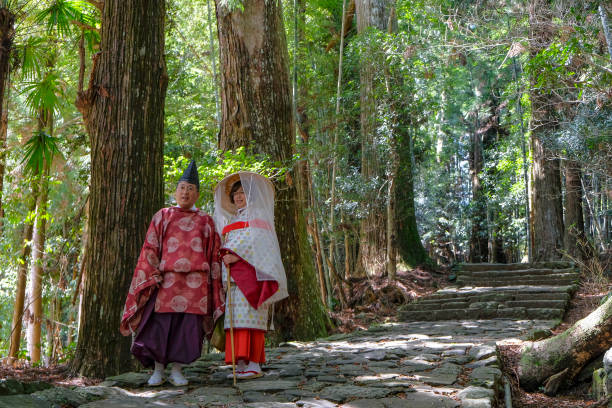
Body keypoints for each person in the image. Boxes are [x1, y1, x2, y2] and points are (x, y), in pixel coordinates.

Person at [120, 160, 225, 386]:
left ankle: (177, 370)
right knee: (159, 325)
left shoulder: (206, 221)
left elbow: (213, 253)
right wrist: (152, 272)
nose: (185, 193)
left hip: (195, 284)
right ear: (175, 191)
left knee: (187, 329)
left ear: (197, 194)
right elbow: (150, 247)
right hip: (167, 280)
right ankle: (157, 370)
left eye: (190, 189)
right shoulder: (163, 216)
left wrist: (214, 283)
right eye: (182, 188)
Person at [213, 172, 288, 380]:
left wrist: (236, 258)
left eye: (243, 193)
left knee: (250, 321)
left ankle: (254, 363)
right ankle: (242, 363)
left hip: (252, 280)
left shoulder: (258, 218)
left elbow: (261, 246)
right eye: (236, 193)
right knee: (235, 322)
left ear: (251, 197)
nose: (238, 197)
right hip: (234, 281)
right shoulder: (234, 219)